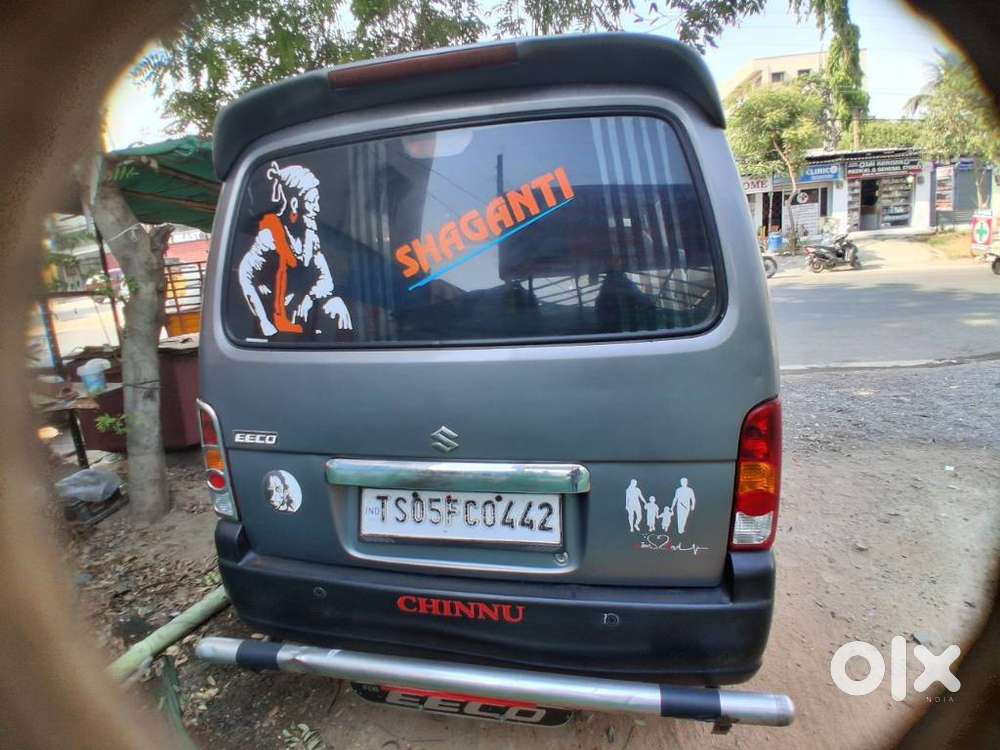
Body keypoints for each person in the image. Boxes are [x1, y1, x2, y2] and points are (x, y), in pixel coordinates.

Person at [238, 161, 352, 337]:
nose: (317, 208)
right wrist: (264, 321)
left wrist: (309, 297)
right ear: (294, 202)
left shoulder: (310, 235)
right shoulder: (270, 235)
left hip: (304, 305)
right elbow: (246, 275)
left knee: (337, 307)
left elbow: (325, 279)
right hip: (281, 313)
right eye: (312, 201)